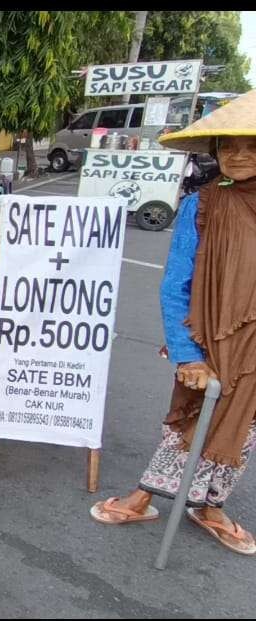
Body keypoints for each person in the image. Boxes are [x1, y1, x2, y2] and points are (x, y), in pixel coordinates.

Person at [89, 89, 256, 557]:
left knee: (243, 431)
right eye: (229, 146)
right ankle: (146, 495)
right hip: (213, 341)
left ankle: (209, 506)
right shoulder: (201, 205)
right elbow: (175, 285)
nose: (239, 155)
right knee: (192, 424)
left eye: (252, 146)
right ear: (215, 151)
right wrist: (186, 352)